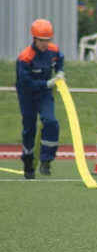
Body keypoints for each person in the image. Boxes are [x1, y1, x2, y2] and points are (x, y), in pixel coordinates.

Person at [15, 19, 64, 179]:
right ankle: (28, 162)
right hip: (27, 95)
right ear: (34, 38)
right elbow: (25, 81)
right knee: (29, 128)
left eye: (47, 40)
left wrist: (60, 71)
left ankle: (46, 160)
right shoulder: (25, 57)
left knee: (51, 122)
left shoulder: (53, 50)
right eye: (41, 40)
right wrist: (46, 83)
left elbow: (60, 58)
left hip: (44, 95)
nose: (45, 44)